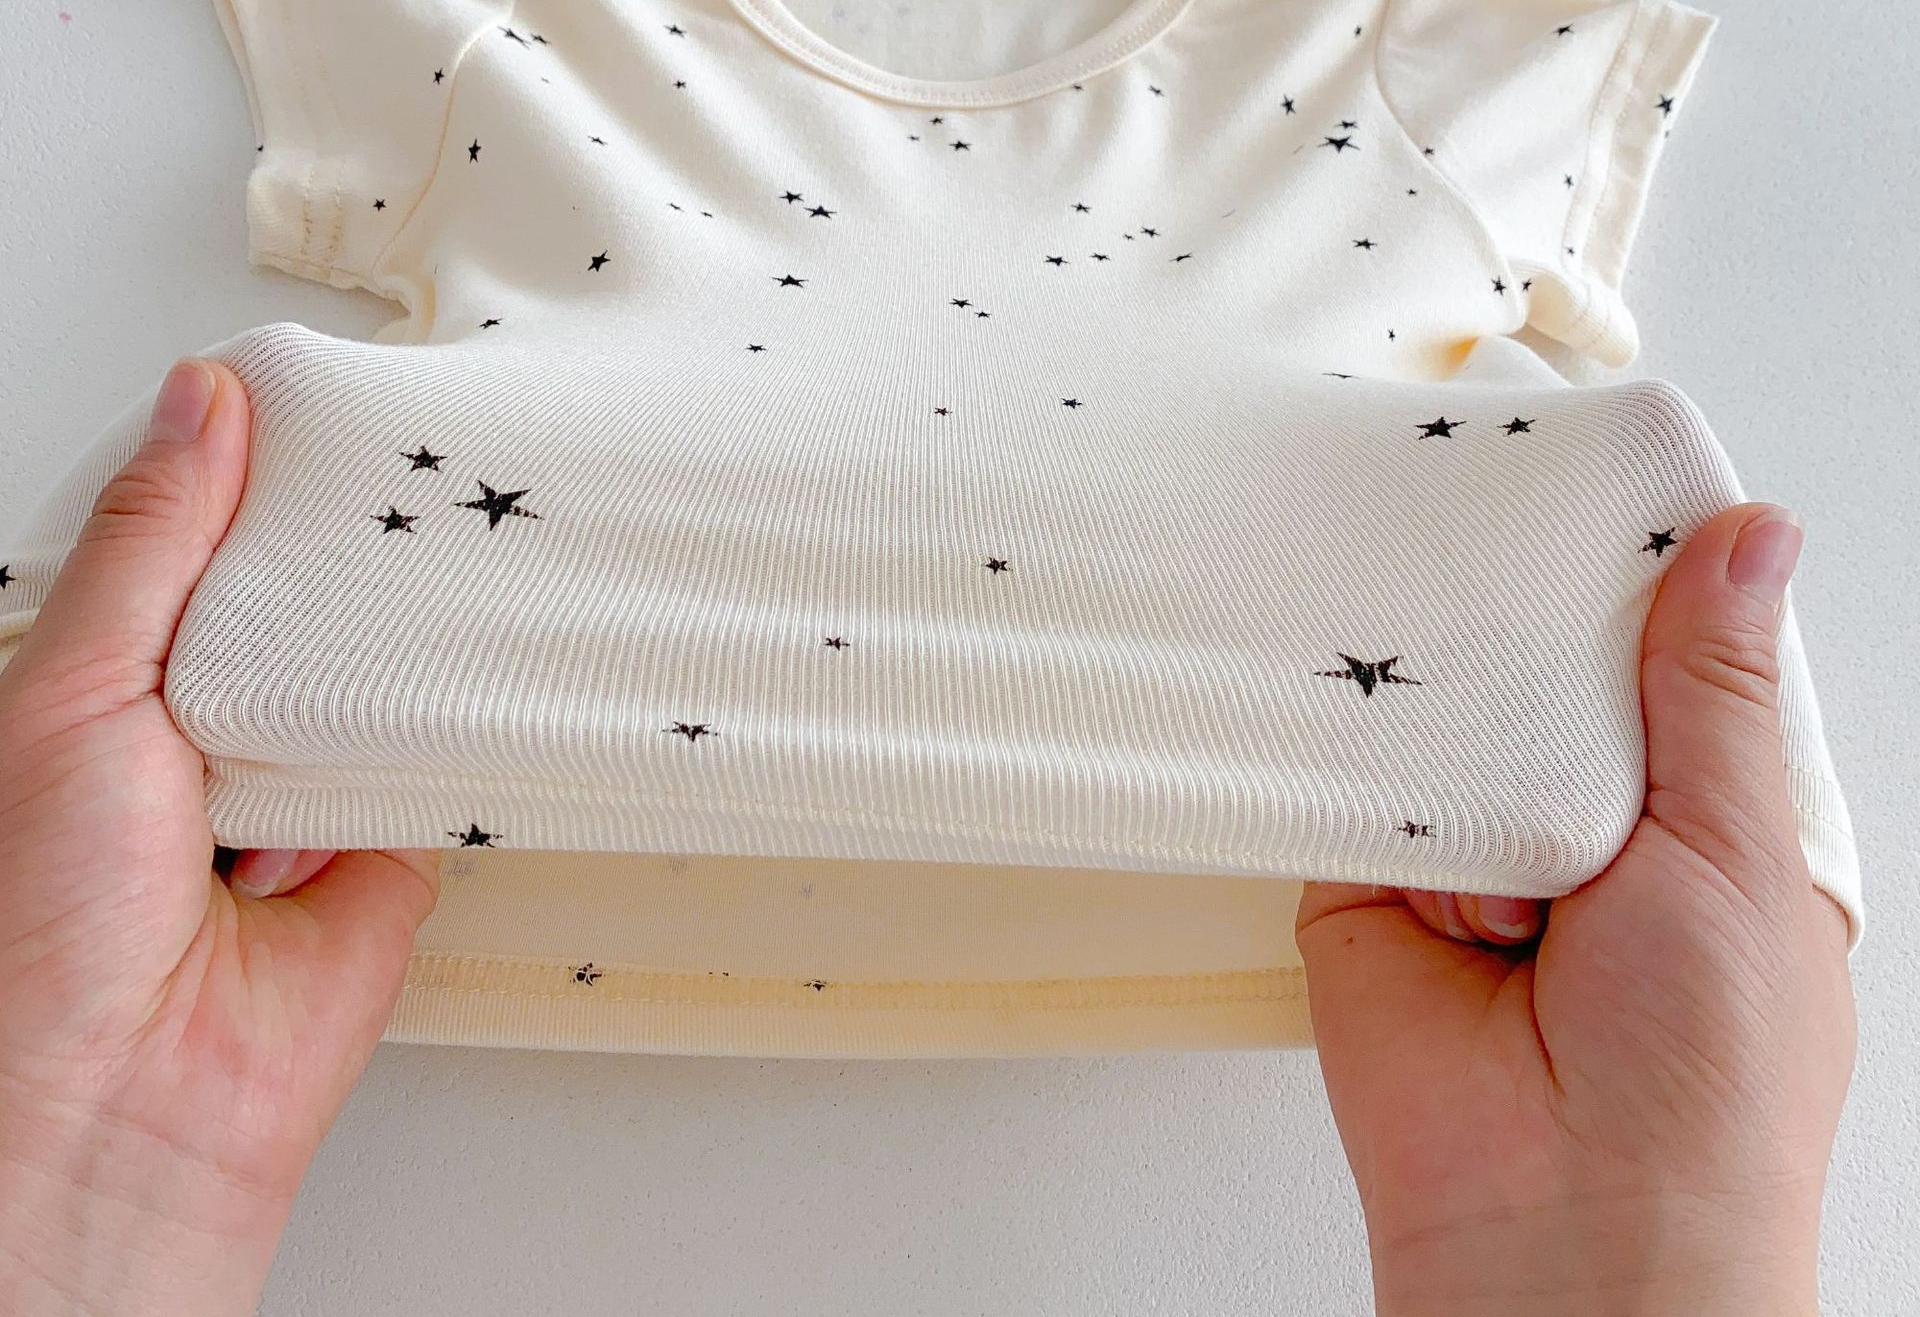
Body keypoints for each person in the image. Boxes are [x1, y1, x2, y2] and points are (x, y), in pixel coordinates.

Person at [0, 356, 1857, 1316]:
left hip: (384, 726)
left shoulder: (1410, 22)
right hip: (1414, 795)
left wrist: (61, 1138)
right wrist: (1639, 1242)